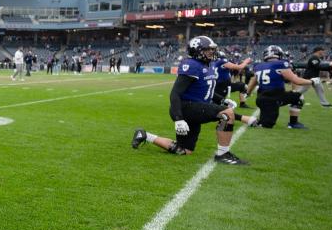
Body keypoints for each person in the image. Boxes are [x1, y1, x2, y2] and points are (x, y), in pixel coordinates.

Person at [131, 35, 255, 165]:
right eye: (208, 50)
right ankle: (223, 154)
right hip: (186, 108)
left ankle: (145, 135)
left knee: (184, 150)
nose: (212, 52)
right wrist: (178, 118)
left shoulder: (209, 65)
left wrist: (222, 100)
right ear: (198, 51)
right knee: (227, 114)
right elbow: (175, 94)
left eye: (212, 50)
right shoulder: (192, 65)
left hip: (196, 107)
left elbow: (205, 89)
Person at [245, 45, 313, 129]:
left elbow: (253, 82)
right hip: (273, 99)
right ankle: (237, 117)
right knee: (265, 125)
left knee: (296, 97)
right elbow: (296, 80)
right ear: (279, 54)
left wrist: (248, 93)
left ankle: (293, 123)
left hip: (262, 99)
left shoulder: (258, 66)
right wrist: (312, 81)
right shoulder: (281, 63)